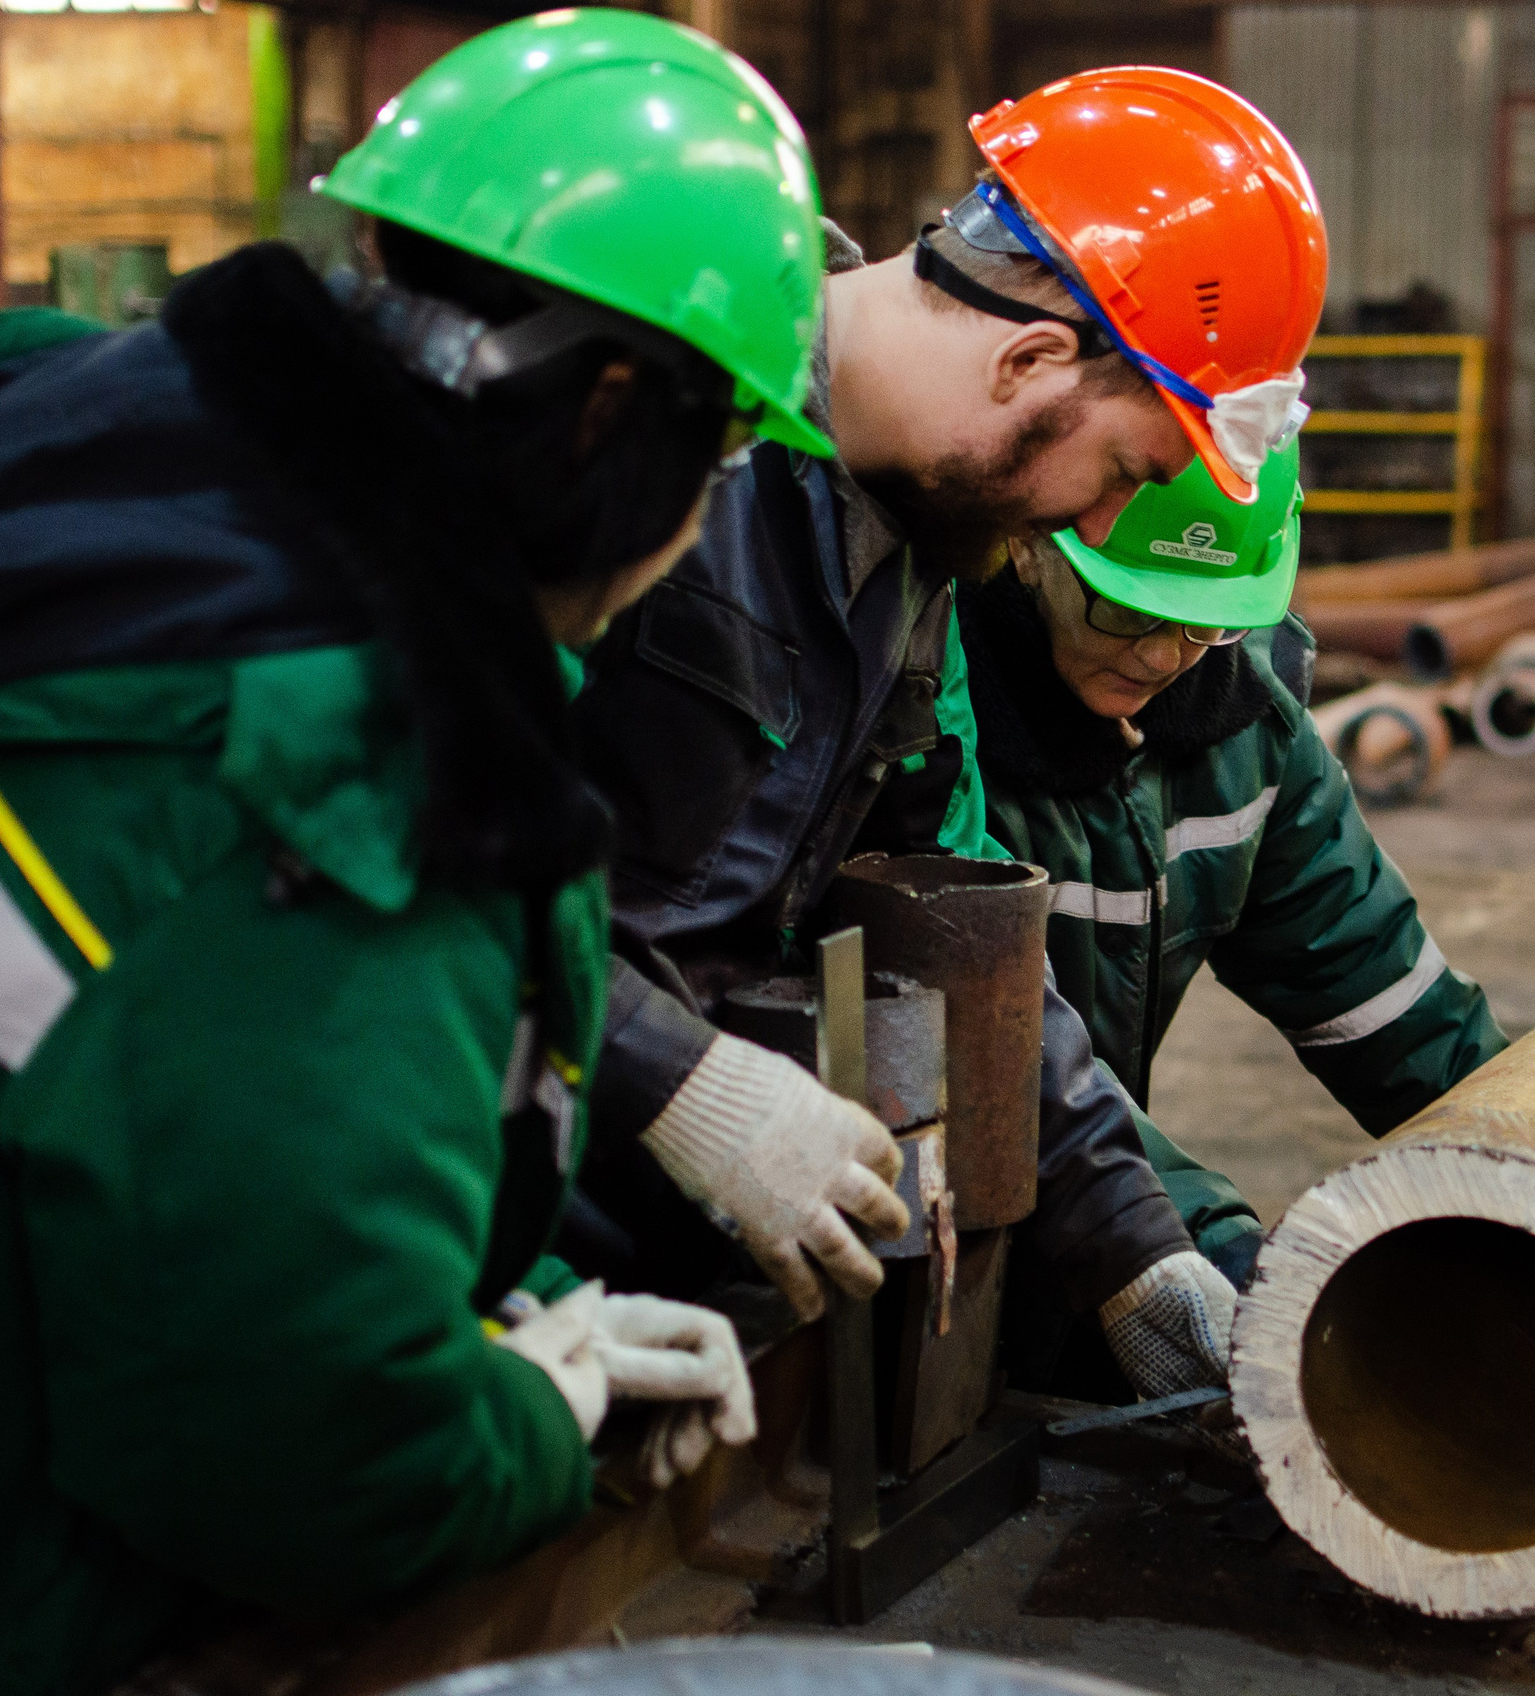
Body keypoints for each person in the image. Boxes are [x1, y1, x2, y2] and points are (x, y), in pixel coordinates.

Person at [0, 14, 827, 1693]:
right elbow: (306, 1458)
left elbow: (164, 1117)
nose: (707, 524)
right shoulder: (325, 774)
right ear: (612, 418)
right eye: (718, 459)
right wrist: (525, 1404)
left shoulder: (56, 471)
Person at [569, 66, 1330, 1404]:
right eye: (1130, 471)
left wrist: (1134, 1248)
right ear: (1033, 360)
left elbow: (948, 912)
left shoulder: (910, 557)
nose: (1100, 529)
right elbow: (403, 855)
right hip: (456, 1199)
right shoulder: (657, 442)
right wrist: (679, 1080)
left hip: (642, 1226)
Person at [955, 438, 1506, 1330]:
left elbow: (1384, 997)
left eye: (1207, 620)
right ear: (1029, 541)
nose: (1165, 656)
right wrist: (1212, 1251)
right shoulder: (933, 740)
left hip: (1097, 1209)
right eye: (1128, 608)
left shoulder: (1246, 740)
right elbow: (1005, 1056)